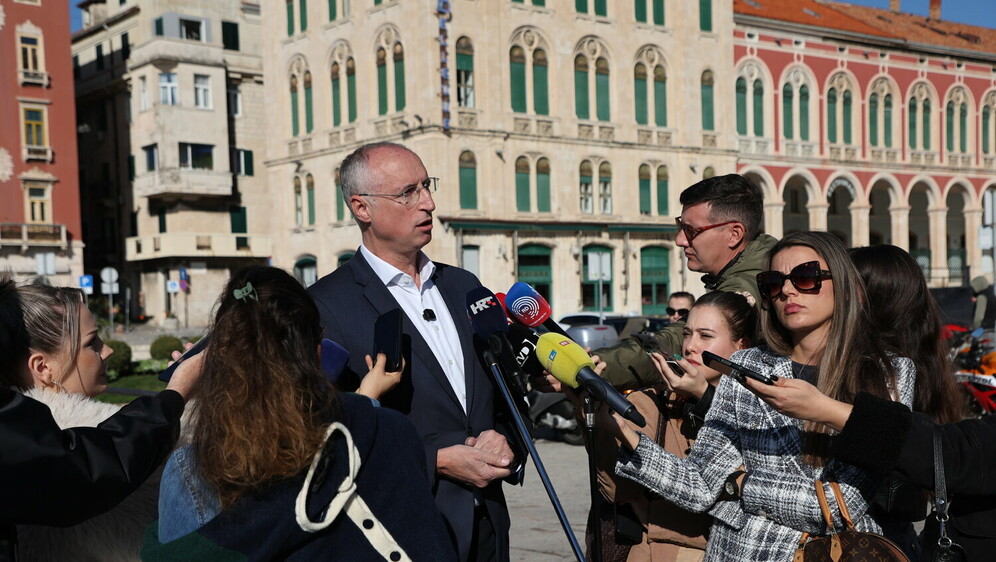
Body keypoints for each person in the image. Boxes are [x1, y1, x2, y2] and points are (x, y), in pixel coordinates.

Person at [603, 231, 916, 561]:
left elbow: (841, 505)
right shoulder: (746, 364)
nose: (788, 291)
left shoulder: (888, 372)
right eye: (773, 283)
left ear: (841, 281)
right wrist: (625, 434)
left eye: (806, 277)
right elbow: (698, 485)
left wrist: (737, 485)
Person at [147, 266, 455, 560]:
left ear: (220, 362)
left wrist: (184, 392)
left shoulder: (194, 470)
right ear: (317, 352)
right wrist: (367, 399)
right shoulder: (390, 430)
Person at [308, 142, 515, 562]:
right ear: (361, 208)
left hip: (488, 529)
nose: (429, 203)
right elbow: (319, 435)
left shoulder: (463, 287)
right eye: (408, 193)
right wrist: (434, 460)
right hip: (399, 532)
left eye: (427, 186)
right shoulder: (324, 305)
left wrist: (507, 439)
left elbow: (505, 395)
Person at [0, 276, 199, 561]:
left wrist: (179, 393)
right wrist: (185, 393)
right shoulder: (82, 441)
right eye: (92, 343)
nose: (108, 350)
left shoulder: (27, 438)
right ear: (42, 367)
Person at [589, 291, 757, 561]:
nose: (690, 346)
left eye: (705, 336)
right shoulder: (658, 400)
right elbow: (615, 489)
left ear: (741, 346)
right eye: (687, 334)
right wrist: (599, 421)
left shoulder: (764, 409)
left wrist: (705, 396)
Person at [595, 174, 777, 389]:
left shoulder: (746, 285)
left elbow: (675, 341)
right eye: (679, 226)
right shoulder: (762, 263)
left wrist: (594, 367)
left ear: (734, 234)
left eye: (691, 230)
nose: (679, 240)